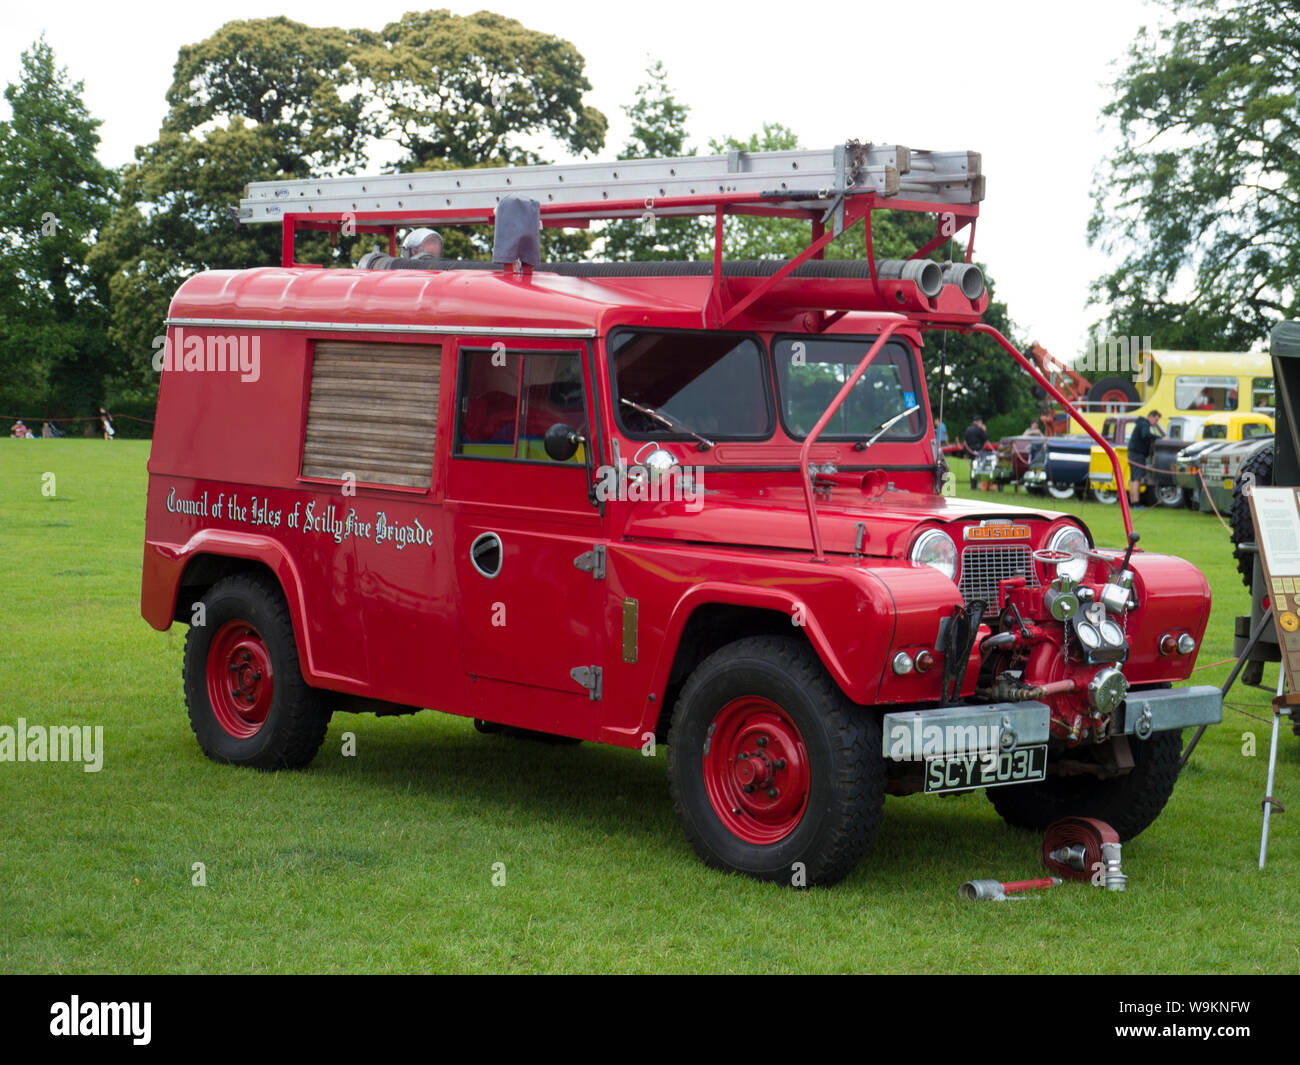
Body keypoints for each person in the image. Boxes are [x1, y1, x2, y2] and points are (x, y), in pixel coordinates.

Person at [1127, 409, 1163, 508]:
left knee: (1134, 478)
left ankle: (1133, 502)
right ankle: (1136, 503)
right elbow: (1145, 435)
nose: (1156, 423)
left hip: (1132, 453)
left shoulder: (1140, 423)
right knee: (1137, 479)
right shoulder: (1144, 424)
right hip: (1137, 454)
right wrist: (1159, 438)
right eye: (1156, 420)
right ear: (1150, 417)